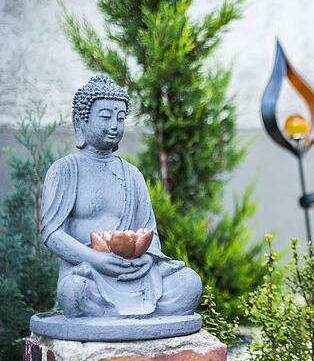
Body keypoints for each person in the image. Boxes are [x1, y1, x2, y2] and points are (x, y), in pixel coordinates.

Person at [40, 75, 202, 318]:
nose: (114, 125)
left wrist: (148, 259)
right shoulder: (65, 170)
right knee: (73, 292)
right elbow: (52, 233)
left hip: (136, 272)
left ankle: (121, 317)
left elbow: (149, 232)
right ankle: (114, 317)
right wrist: (95, 259)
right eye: (105, 117)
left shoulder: (131, 174)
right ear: (80, 121)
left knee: (189, 283)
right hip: (89, 272)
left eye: (120, 118)